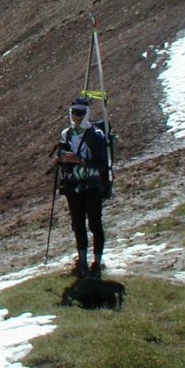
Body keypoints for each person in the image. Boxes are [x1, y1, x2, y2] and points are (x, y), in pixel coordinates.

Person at [52, 97, 109, 279]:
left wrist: (79, 160)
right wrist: (61, 157)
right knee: (78, 223)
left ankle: (96, 262)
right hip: (72, 184)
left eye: (80, 113)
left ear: (86, 114)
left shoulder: (96, 135)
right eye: (74, 112)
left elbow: (101, 162)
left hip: (91, 184)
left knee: (94, 222)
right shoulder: (66, 134)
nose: (76, 116)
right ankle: (83, 261)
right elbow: (60, 152)